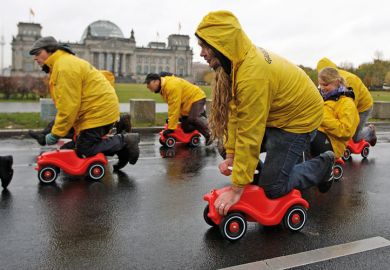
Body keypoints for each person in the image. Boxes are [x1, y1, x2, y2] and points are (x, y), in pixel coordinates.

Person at [195, 10, 335, 216]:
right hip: (279, 115)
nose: (201, 53)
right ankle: (268, 170)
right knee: (227, 147)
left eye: (205, 46)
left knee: (273, 187)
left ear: (222, 43)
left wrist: (237, 189)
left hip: (298, 121)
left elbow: (249, 132)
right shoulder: (236, 64)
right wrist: (233, 155)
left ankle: (324, 164)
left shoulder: (252, 75)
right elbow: (236, 115)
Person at [30, 36, 139, 171]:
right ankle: (121, 149)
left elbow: (69, 106)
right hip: (94, 109)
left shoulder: (63, 67)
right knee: (72, 146)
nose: (35, 58)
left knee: (85, 148)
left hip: (98, 111)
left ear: (50, 50)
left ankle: (125, 141)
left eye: (37, 53)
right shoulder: (62, 63)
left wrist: (56, 134)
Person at [317, 57, 377, 146]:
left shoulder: (349, 80)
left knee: (354, 137)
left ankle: (370, 132)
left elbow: (351, 108)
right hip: (352, 104)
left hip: (363, 106)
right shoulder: (328, 82)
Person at [145, 73, 212, 145]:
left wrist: (171, 128)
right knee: (186, 127)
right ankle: (201, 120)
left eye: (149, 83)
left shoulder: (171, 86)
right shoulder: (163, 88)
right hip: (187, 102)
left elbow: (174, 107)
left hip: (197, 97)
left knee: (193, 118)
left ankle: (210, 134)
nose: (148, 87)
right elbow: (173, 105)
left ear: (156, 81)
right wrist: (173, 120)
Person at [311, 67, 360, 162]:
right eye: (320, 85)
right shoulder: (321, 97)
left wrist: (321, 118)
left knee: (305, 136)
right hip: (318, 136)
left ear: (337, 82)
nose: (322, 88)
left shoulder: (347, 103)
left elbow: (346, 131)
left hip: (333, 145)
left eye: (325, 84)